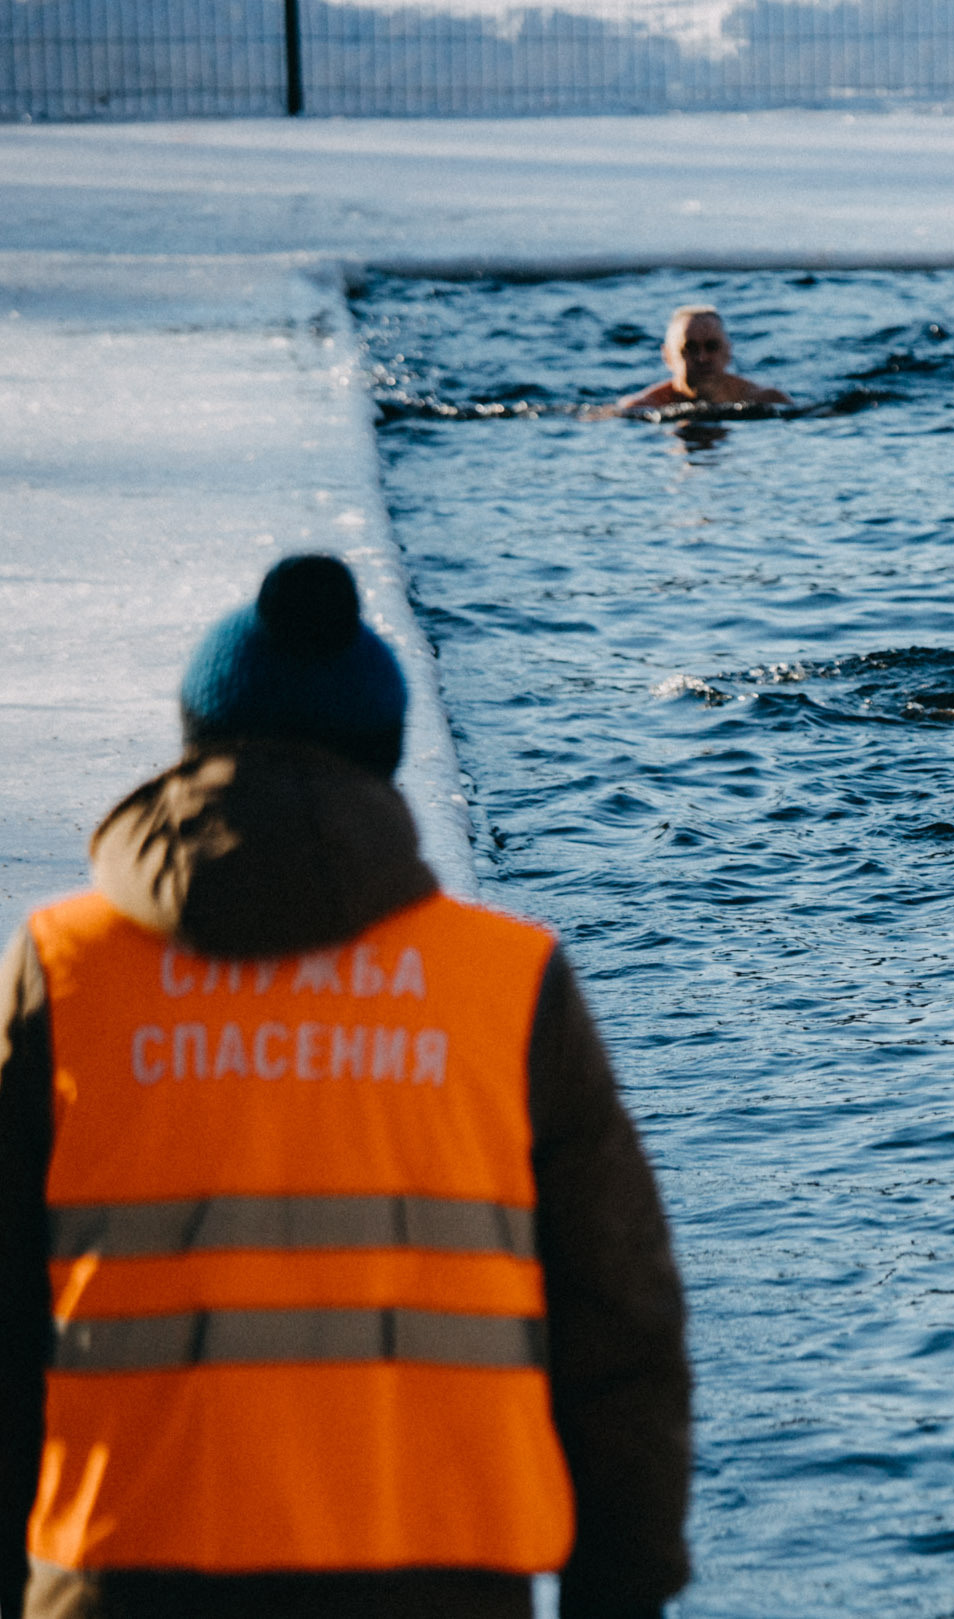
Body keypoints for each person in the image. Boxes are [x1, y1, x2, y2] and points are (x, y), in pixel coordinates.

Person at [0, 555, 690, 1619]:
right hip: (440, 1574)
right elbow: (621, 1324)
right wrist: (620, 1591)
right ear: (384, 756)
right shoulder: (502, 985)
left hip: (123, 1570)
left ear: (196, 742)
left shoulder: (63, 971)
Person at [618, 304, 788, 409]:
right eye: (690, 348)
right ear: (667, 356)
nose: (702, 358)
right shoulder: (642, 407)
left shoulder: (768, 401)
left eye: (712, 347)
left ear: (728, 352)